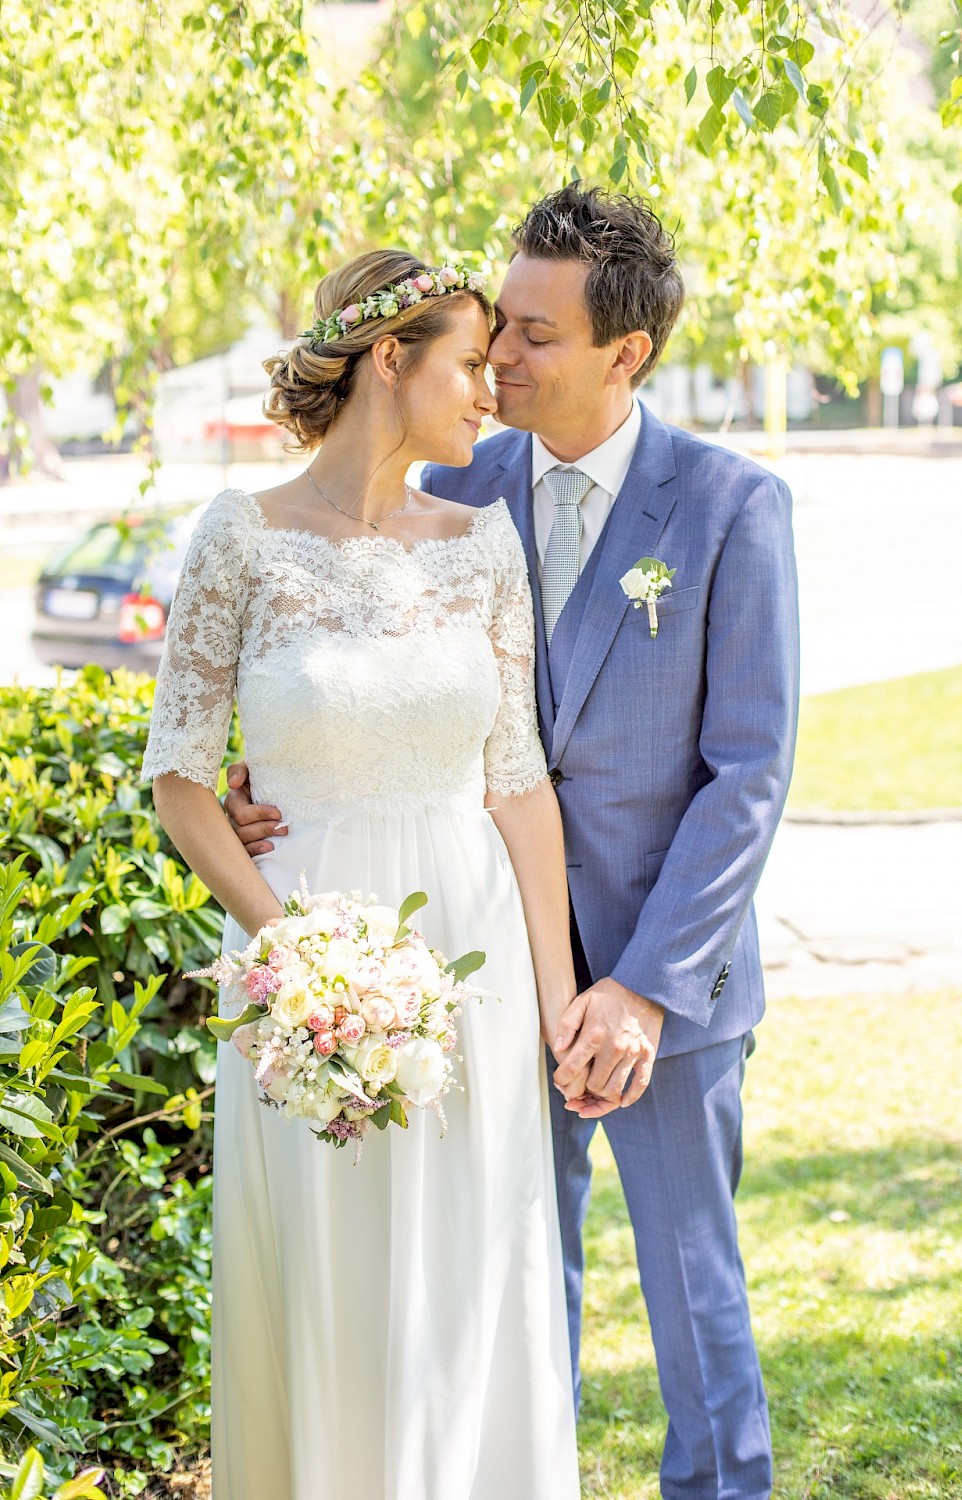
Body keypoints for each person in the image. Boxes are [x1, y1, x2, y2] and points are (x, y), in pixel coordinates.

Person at [228, 186, 800, 1498]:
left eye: (535, 336)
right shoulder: (449, 477)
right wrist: (278, 760)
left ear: (626, 354)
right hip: (478, 970)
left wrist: (643, 991)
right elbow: (351, 654)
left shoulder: (728, 510)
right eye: (497, 331)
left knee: (692, 1285)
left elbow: (747, 776)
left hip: (661, 990)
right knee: (502, 1283)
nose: (500, 361)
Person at [141, 249, 582, 1500]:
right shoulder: (240, 537)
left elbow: (517, 782)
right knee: (329, 1272)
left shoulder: (484, 541)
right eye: (467, 366)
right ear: (389, 361)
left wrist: (555, 1004)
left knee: (464, 1273)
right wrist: (293, 953)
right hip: (302, 960)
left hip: (471, 953)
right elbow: (180, 775)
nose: (490, 393)